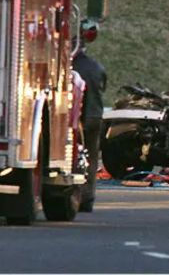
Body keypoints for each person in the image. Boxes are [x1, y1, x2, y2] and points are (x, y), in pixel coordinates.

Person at [71, 21, 107, 213]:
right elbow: (102, 87)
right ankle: (88, 198)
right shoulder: (96, 67)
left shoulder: (71, 69)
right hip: (95, 116)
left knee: (75, 156)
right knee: (91, 158)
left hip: (79, 117)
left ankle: (75, 193)